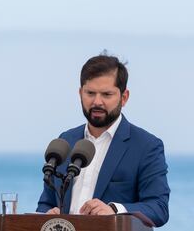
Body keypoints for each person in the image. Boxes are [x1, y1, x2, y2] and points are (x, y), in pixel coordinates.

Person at [36, 53, 170, 227]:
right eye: (90, 93)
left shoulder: (146, 146)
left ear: (124, 97)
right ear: (80, 93)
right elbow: (46, 202)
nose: (97, 102)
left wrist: (114, 210)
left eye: (106, 94)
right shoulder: (65, 142)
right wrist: (47, 214)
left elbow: (158, 209)